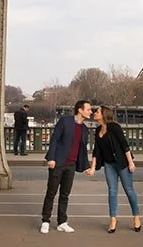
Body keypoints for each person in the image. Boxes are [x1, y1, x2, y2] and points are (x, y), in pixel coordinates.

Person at [40, 100, 93, 233]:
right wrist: (51, 158)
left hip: (71, 165)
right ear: (80, 110)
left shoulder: (85, 129)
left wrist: (86, 166)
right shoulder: (65, 121)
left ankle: (62, 222)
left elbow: (82, 149)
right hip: (58, 162)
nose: (90, 112)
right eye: (88, 109)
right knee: (51, 192)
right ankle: (45, 221)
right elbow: (55, 139)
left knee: (65, 194)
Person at [89, 105, 141, 233]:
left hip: (122, 163)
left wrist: (131, 163)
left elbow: (124, 145)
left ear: (104, 114)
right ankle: (113, 219)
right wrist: (92, 168)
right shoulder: (97, 130)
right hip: (109, 164)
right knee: (112, 191)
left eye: (97, 111)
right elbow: (97, 150)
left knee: (129, 190)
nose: (94, 113)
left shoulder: (114, 127)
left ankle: (136, 216)